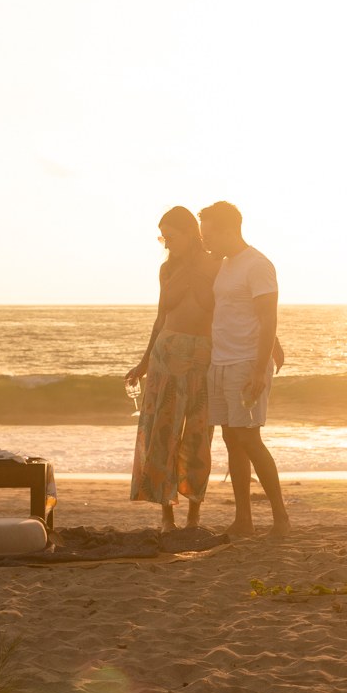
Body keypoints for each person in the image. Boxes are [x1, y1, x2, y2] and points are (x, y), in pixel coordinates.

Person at [197, 200, 290, 539]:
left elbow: (267, 317)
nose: (205, 241)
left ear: (228, 230)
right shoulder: (224, 265)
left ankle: (281, 518)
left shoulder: (258, 265)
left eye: (209, 235)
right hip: (221, 361)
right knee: (231, 440)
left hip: (246, 362)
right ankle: (243, 521)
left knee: (249, 439)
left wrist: (259, 368)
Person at [126, 207, 218, 530]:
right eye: (162, 238)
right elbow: (160, 319)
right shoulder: (167, 270)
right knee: (162, 434)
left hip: (203, 357)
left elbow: (234, 308)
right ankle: (167, 516)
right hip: (165, 357)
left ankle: (194, 515)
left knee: (199, 436)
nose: (166, 244)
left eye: (171, 237)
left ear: (191, 233)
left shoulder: (215, 265)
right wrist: (143, 363)